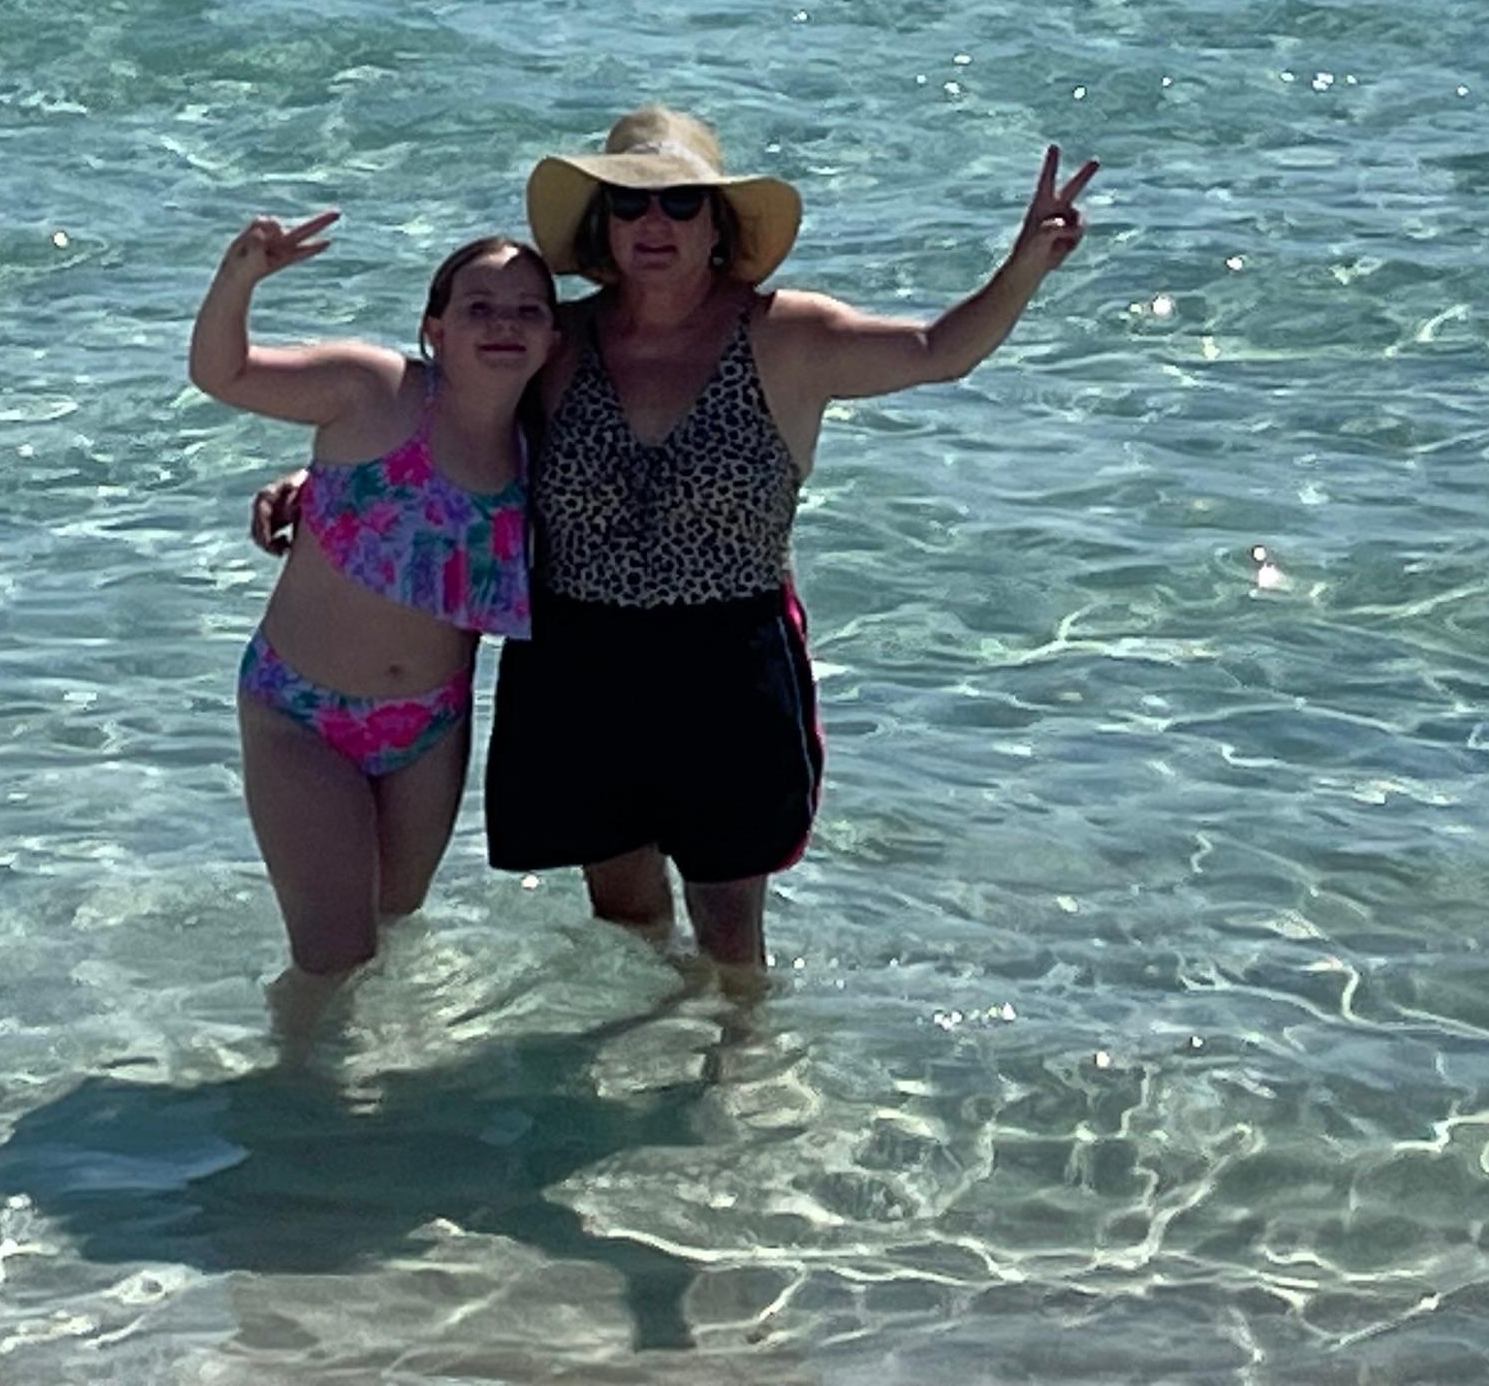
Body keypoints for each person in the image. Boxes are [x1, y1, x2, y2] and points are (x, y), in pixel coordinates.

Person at [267, 108, 1097, 975]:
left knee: (730, 925)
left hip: (728, 660)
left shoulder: (785, 334)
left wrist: (1025, 264)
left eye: (680, 203)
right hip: (578, 655)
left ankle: (741, 1054)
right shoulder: (561, 340)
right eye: (629, 205)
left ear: (718, 224)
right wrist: (322, 485)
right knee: (623, 914)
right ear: (604, 226)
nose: (653, 223)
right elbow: (447, 416)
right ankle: (643, 1052)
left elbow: (935, 350)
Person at [189, 215, 558, 988]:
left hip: (430, 730)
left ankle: (380, 1061)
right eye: (479, 308)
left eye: (528, 311)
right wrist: (240, 277)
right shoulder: (374, 390)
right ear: (436, 329)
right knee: (334, 957)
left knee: (393, 930)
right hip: (300, 713)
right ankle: (297, 1067)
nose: (504, 324)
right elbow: (224, 374)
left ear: (553, 339)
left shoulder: (545, 445)